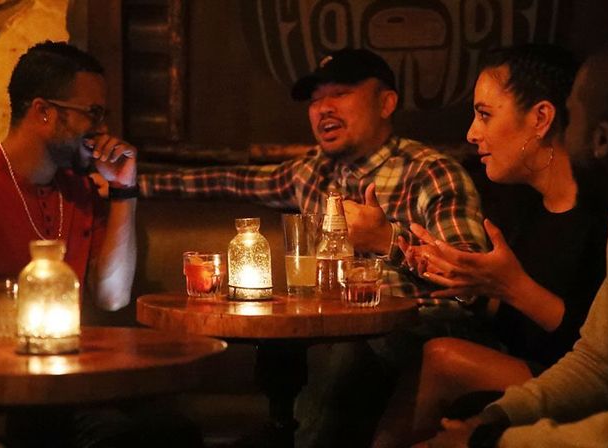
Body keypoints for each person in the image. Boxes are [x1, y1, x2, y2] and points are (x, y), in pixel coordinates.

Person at [139, 48, 487, 447]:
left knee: (340, 352)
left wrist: (387, 241)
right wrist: (126, 184)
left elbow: (472, 285)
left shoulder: (430, 172)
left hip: (418, 326)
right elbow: (227, 181)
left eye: (339, 93)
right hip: (332, 330)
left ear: (386, 103)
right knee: (307, 348)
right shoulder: (312, 171)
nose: (323, 109)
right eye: (316, 99)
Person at [375, 44, 608, 446]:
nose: (471, 132)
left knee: (442, 357)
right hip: (526, 363)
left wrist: (513, 287)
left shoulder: (606, 214)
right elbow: (505, 320)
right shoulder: (519, 205)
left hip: (581, 380)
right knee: (392, 345)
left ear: (540, 118)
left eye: (484, 114)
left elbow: (600, 353)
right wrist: (466, 280)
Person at [0, 41, 138, 325]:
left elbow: (113, 297)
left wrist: (124, 190)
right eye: (93, 114)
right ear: (43, 111)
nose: (104, 130)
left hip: (66, 364)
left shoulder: (81, 190)